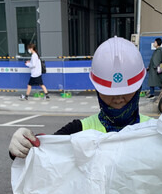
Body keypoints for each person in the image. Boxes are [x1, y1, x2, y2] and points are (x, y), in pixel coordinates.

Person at [10, 36, 150, 158]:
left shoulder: (156, 131)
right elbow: (44, 151)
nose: (119, 98)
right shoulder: (79, 130)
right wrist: (24, 144)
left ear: (138, 88)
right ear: (97, 90)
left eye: (127, 91)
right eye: (110, 92)